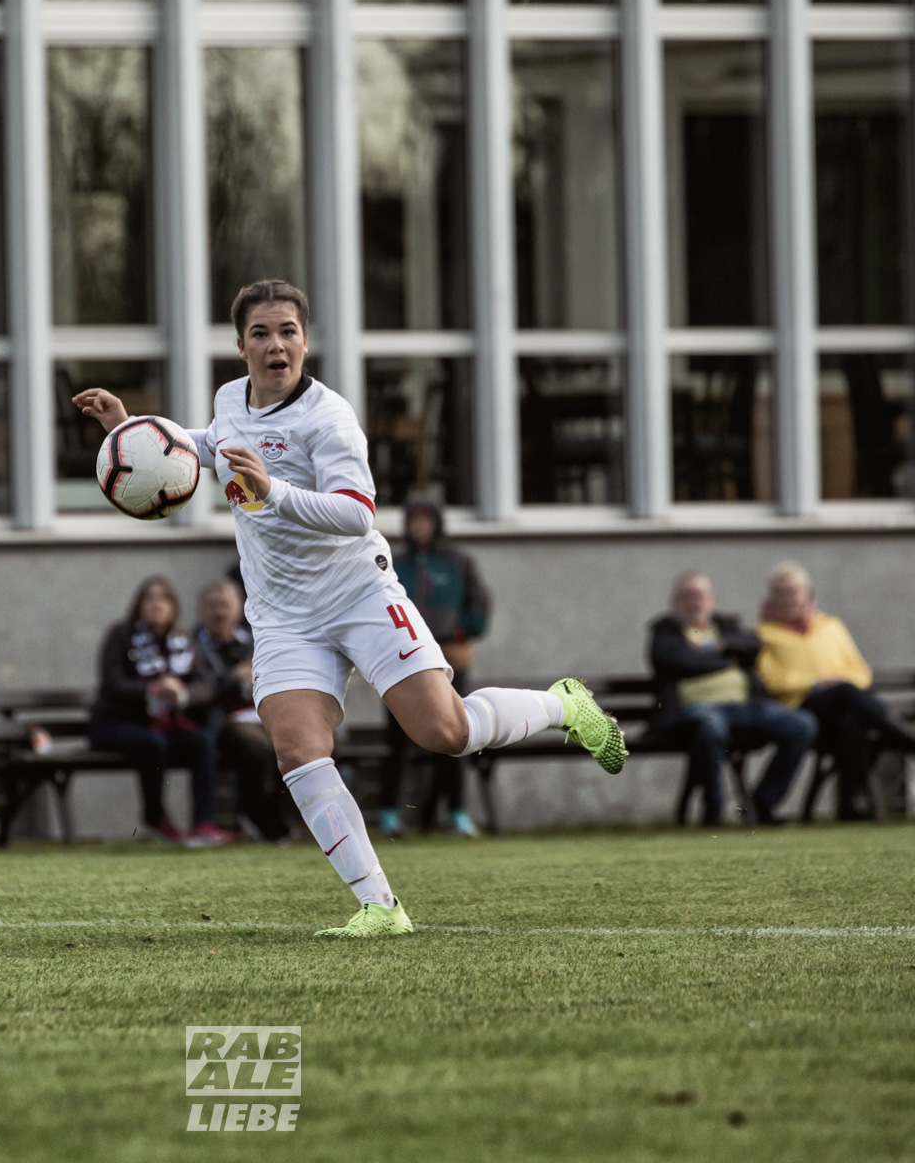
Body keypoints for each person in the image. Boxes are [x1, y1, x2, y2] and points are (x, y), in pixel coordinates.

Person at [72, 279, 624, 938]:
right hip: (282, 616)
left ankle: (566, 706)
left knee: (444, 734)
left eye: (287, 332)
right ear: (240, 344)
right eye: (261, 333)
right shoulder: (229, 401)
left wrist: (273, 492)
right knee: (297, 749)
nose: (275, 344)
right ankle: (381, 908)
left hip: (361, 595)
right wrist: (130, 432)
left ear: (305, 340)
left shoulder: (328, 418)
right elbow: (206, 447)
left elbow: (357, 513)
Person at [756, 562, 915, 820]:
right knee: (844, 693)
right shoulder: (764, 634)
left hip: (842, 707)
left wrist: (838, 682)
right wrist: (816, 683)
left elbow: (861, 673)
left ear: (808, 594)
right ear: (772, 598)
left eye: (794, 591)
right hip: (800, 708)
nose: (789, 598)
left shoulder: (831, 626)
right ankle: (908, 739)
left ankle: (851, 803)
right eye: (782, 592)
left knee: (851, 721)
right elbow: (772, 680)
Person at [649, 572, 817, 827]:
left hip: (746, 707)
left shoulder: (727, 627)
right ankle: (713, 809)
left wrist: (716, 649)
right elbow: (674, 660)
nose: (694, 603)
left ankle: (764, 801)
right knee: (710, 729)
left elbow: (753, 645)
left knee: (803, 724)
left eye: (700, 596)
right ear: (675, 602)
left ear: (712, 600)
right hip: (698, 711)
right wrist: (726, 659)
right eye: (687, 597)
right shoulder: (665, 633)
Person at [378, 497, 490, 838]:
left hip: (448, 658)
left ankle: (456, 813)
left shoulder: (459, 562)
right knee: (397, 740)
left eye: (427, 520)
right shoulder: (393, 564)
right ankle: (389, 816)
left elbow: (480, 606)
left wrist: (459, 630)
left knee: (454, 735)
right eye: (414, 521)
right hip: (403, 660)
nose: (420, 527)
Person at [89, 577, 232, 846]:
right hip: (116, 723)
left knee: (201, 741)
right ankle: (155, 816)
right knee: (152, 744)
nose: (157, 604)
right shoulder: (120, 635)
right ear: (138, 604)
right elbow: (112, 681)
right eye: (150, 598)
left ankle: (202, 823)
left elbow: (205, 685)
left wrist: (182, 692)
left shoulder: (182, 640)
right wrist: (152, 689)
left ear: (173, 606)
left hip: (165, 724)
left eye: (164, 598)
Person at [193, 578, 290, 842]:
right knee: (259, 746)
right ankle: (256, 813)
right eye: (212, 606)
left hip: (261, 714)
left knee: (294, 740)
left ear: (239, 609)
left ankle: (282, 816)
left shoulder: (252, 641)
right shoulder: (193, 646)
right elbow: (199, 689)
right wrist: (231, 678)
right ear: (201, 611)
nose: (219, 613)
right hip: (220, 720)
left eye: (225, 605)